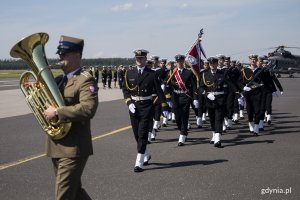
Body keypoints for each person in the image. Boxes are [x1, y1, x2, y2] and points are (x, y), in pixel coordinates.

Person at [43, 35, 98, 200]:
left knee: (63, 195)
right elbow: (47, 107)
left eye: (64, 54)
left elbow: (88, 109)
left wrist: (58, 112)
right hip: (57, 145)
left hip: (74, 147)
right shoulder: (59, 80)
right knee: (75, 192)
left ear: (77, 56)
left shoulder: (85, 80)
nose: (60, 57)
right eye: (59, 54)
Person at [122, 49, 169, 172]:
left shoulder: (152, 74)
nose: (139, 60)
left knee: (143, 133)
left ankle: (139, 162)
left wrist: (164, 106)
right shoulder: (129, 73)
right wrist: (129, 102)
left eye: (141, 58)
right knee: (137, 135)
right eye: (137, 58)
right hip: (134, 107)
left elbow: (159, 91)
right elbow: (125, 90)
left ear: (145, 59)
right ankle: (146, 153)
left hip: (147, 106)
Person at [166, 54, 198, 146]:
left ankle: (182, 135)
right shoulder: (172, 73)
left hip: (185, 96)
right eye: (177, 62)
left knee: (184, 115)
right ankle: (182, 130)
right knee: (177, 117)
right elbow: (168, 85)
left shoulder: (189, 73)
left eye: (180, 61)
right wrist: (167, 97)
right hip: (175, 97)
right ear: (175, 63)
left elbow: (194, 86)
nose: (179, 63)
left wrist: (195, 98)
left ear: (183, 62)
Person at [199, 56, 226, 148]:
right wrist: (206, 94)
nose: (212, 65)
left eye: (214, 63)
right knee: (212, 118)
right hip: (209, 99)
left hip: (219, 99)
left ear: (217, 64)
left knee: (219, 118)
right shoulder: (204, 74)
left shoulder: (222, 74)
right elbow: (201, 88)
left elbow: (229, 84)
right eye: (211, 64)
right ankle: (214, 134)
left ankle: (218, 138)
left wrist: (239, 92)